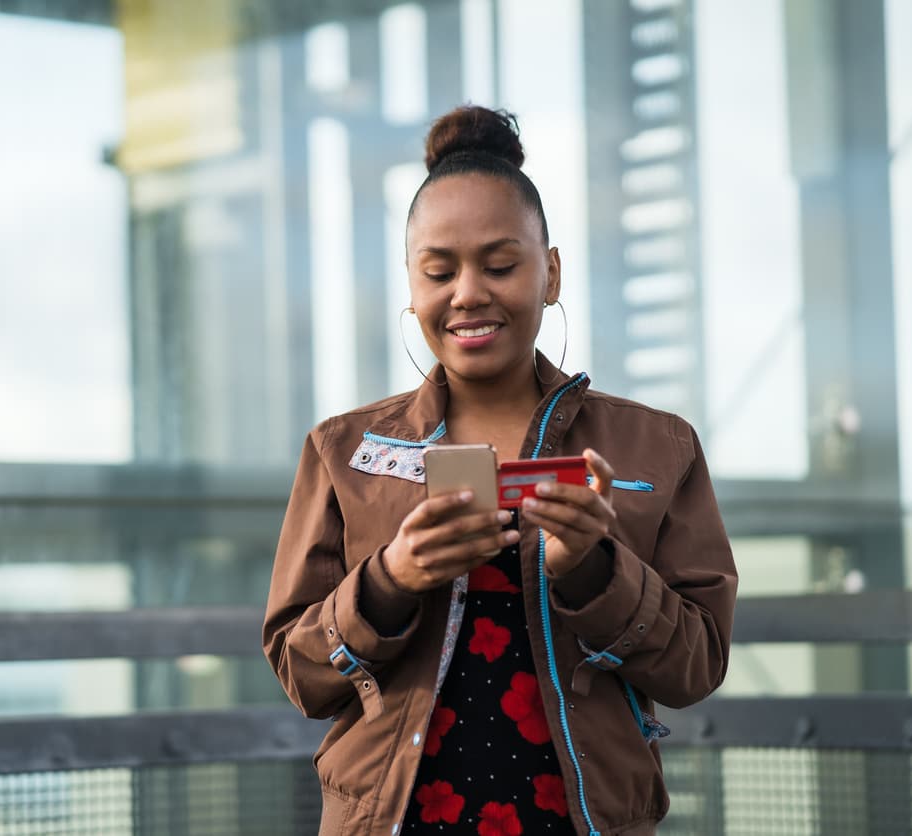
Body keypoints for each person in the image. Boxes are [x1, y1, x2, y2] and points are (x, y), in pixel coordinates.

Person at [263, 105, 736, 836]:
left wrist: (592, 572)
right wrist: (391, 580)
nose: (468, 293)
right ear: (412, 288)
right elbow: (302, 675)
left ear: (549, 273)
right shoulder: (341, 449)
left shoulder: (655, 447)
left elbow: (696, 667)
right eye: (439, 271)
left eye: (501, 264)